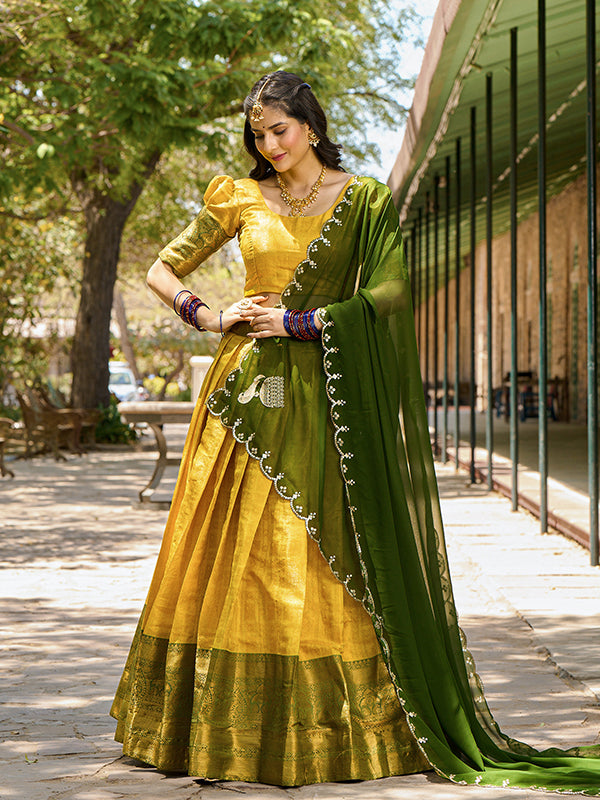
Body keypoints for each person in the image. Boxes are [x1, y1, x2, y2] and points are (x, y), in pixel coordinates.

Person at [111, 71, 600, 793]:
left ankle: (336, 726)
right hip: (244, 391)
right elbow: (161, 267)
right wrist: (207, 314)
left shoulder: (362, 199)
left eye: (279, 129)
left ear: (310, 125)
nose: (269, 145)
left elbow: (393, 290)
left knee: (315, 544)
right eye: (257, 134)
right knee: (234, 549)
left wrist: (302, 321)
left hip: (322, 393)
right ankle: (212, 723)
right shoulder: (239, 197)